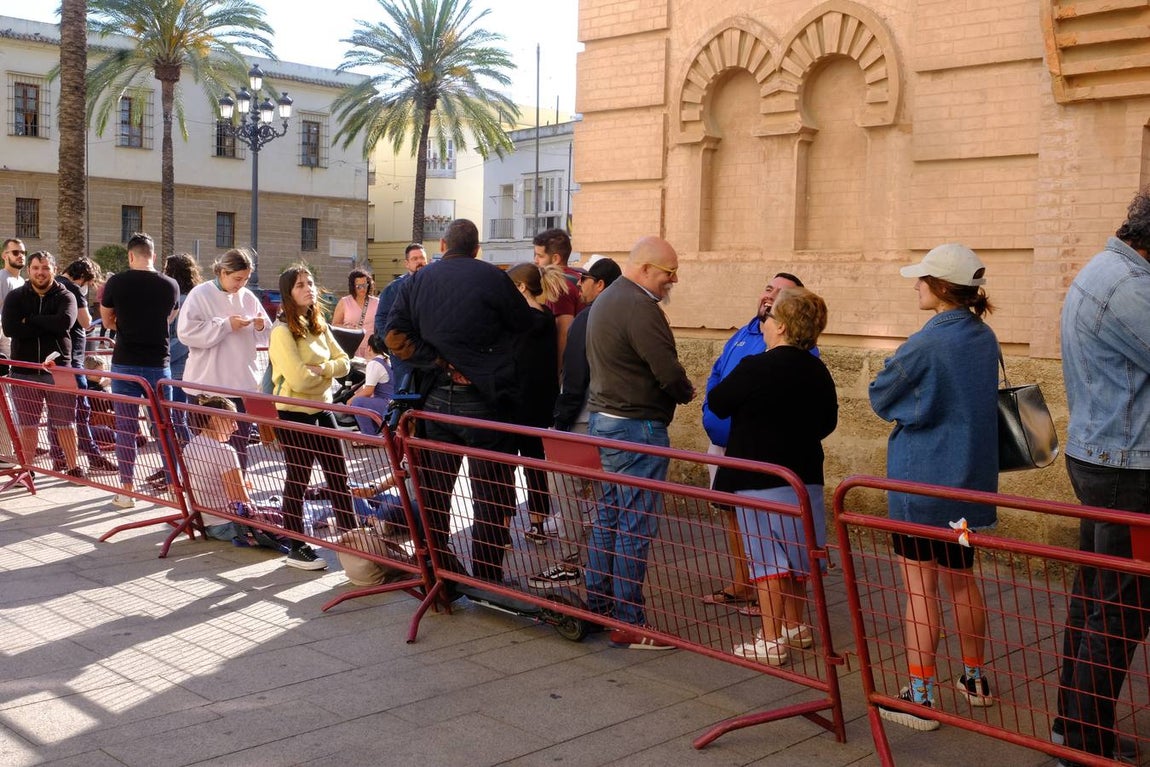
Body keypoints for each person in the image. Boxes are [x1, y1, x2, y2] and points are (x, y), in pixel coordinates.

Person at [869, 243, 999, 731]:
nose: (917, 286)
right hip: (968, 490)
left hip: (920, 487)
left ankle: (920, 696)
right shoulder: (984, 337)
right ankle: (975, 680)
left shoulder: (924, 344)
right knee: (962, 580)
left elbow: (881, 397)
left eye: (923, 279)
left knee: (919, 588)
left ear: (942, 287)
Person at [1054, 190, 1150, 766]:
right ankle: (1085, 745)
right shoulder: (1129, 286)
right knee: (1119, 610)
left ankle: (1078, 730)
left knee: (1096, 600)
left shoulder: (1110, 269)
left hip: (1109, 458)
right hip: (1124, 469)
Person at [386, 218, 535, 582]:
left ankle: (441, 573)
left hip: (436, 401)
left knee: (435, 492)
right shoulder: (494, 278)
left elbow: (393, 337)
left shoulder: (417, 281)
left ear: (442, 245)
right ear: (477, 249)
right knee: (491, 495)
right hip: (485, 402)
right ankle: (487, 578)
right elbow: (525, 328)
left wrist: (440, 362)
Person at [708, 287, 837, 666]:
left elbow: (718, 401)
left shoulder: (755, 366)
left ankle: (770, 639)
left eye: (768, 318)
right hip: (805, 475)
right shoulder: (817, 369)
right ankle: (796, 626)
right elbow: (827, 421)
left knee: (767, 561)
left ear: (781, 326)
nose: (763, 324)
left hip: (759, 475)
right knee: (798, 555)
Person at [584, 236, 695, 650]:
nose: (674, 280)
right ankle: (630, 621)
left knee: (610, 516)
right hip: (635, 426)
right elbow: (667, 370)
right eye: (669, 272)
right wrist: (686, 392)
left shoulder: (607, 299)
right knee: (633, 522)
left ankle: (598, 607)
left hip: (608, 421)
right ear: (646, 269)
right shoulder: (639, 306)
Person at [701, 272, 811, 614]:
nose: (770, 296)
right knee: (733, 516)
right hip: (726, 447)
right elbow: (717, 376)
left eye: (781, 294)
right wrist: (709, 409)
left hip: (759, 453)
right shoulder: (744, 333)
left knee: (767, 530)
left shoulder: (796, 347)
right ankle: (743, 583)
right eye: (768, 289)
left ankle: (774, 611)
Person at [528, 255, 622, 589]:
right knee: (606, 493)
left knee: (565, 487)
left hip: (582, 419)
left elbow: (576, 376)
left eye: (585, 279)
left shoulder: (587, 319)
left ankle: (571, 561)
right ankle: (603, 562)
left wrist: (560, 421)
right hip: (617, 420)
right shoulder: (628, 316)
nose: (579, 285)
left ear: (600, 284)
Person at [268, 264, 356, 571]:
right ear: (288, 293)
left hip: (323, 409)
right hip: (294, 412)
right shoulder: (282, 331)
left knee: (338, 476)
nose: (308, 289)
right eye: (300, 285)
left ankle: (353, 537)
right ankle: (296, 545)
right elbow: (299, 379)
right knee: (299, 477)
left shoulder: (319, 324)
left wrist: (324, 371)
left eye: (310, 283)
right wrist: (325, 377)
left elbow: (345, 362)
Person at [99, 232, 180, 509]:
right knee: (164, 427)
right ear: (153, 255)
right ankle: (173, 487)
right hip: (159, 363)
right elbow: (169, 317)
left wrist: (125, 324)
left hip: (125, 361)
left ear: (130, 255)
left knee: (126, 427)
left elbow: (107, 321)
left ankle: (126, 490)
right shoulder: (170, 284)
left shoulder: (117, 282)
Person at [177, 249, 269, 469]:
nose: (241, 284)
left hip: (240, 386)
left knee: (238, 445)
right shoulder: (200, 294)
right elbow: (186, 333)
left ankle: (238, 489)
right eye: (237, 278)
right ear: (223, 272)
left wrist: (260, 326)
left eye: (246, 279)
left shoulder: (248, 296)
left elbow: (267, 333)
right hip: (206, 385)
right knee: (205, 448)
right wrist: (226, 325)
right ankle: (204, 489)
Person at [0, 251, 82, 476]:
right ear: (29, 270)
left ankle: (73, 468)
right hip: (24, 370)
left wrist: (30, 320)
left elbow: (64, 322)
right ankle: (27, 470)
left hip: (60, 369)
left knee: (66, 424)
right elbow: (11, 328)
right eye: (36, 268)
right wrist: (48, 323)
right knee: (28, 425)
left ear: (54, 270)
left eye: (45, 268)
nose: (40, 272)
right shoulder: (16, 297)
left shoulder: (66, 295)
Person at [506, 262, 566, 544]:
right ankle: (537, 524)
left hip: (515, 404)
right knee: (535, 465)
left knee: (505, 466)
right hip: (541, 405)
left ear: (521, 287)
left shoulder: (520, 323)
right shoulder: (546, 318)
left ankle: (502, 528)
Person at [182, 395, 285, 553]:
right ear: (216, 419)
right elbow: (240, 500)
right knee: (299, 511)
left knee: (277, 503)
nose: (235, 427)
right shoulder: (225, 451)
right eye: (231, 421)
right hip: (228, 525)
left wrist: (240, 485)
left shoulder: (190, 446)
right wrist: (242, 490)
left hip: (204, 522)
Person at [50, 258, 117, 474]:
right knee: (81, 410)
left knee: (57, 412)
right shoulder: (74, 289)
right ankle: (93, 457)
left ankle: (58, 457)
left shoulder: (53, 284)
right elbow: (87, 322)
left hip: (56, 359)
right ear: (84, 277)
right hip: (73, 359)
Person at [162, 253, 202, 447]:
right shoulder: (190, 297)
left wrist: (165, 355)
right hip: (180, 364)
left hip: (178, 365)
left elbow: (183, 338)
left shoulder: (184, 300)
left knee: (177, 417)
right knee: (177, 416)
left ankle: (189, 450)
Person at [375, 243, 427, 387]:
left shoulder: (434, 285)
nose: (419, 261)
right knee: (405, 394)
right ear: (407, 263)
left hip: (428, 355)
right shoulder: (394, 288)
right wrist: (393, 344)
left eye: (422, 258)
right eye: (415, 259)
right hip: (403, 357)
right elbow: (381, 318)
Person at [533, 228, 583, 371]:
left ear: (555, 259)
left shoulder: (558, 286)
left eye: (540, 256)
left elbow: (564, 333)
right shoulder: (579, 277)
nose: (535, 261)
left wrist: (559, 373)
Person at [0, 238, 26, 467]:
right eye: (15, 252)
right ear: (4, 255)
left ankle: (10, 453)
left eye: (22, 252)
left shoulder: (21, 281)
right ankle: (5, 455)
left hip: (13, 348)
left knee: (9, 403)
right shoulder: (2, 279)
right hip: (3, 347)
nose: (20, 256)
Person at [348, 333, 394, 435]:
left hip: (386, 404)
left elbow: (368, 392)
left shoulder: (374, 363)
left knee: (358, 402)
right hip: (392, 403)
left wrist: (350, 400)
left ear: (369, 348)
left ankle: (369, 435)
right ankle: (378, 432)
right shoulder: (388, 360)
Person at [332, 268, 378, 359]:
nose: (363, 289)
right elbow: (335, 325)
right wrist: (348, 328)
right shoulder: (344, 302)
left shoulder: (377, 302)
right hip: (351, 348)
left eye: (365, 285)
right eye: (359, 286)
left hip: (372, 349)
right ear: (352, 286)